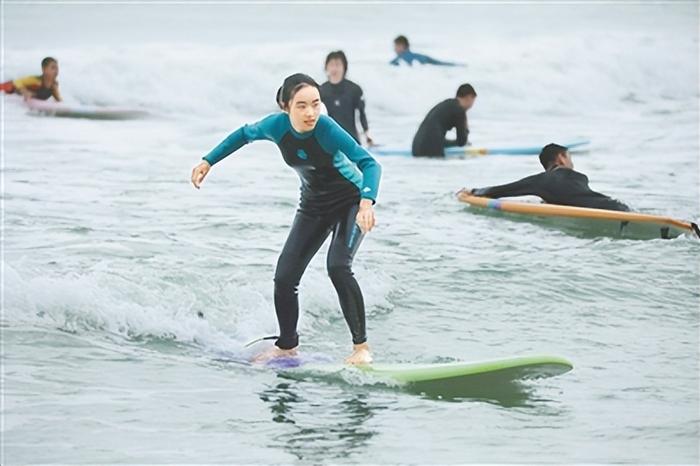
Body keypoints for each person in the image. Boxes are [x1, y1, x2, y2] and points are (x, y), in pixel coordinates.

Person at [191, 73, 382, 365]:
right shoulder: (275, 126)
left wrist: (367, 203)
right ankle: (287, 345)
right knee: (284, 277)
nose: (311, 113)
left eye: (316, 104)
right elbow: (243, 134)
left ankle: (361, 348)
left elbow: (369, 163)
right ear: (285, 106)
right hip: (314, 206)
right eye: (302, 106)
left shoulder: (327, 129)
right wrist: (208, 160)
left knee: (338, 267)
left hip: (351, 203)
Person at [466, 143, 630, 211]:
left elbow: (505, 190)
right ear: (561, 158)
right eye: (569, 157)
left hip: (604, 210)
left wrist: (475, 191)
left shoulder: (541, 181)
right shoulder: (577, 178)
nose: (572, 163)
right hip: (615, 207)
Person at [320, 50, 373, 146]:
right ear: (326, 67)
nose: (334, 68)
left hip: (351, 139)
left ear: (344, 67)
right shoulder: (321, 90)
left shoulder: (354, 89)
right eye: (331, 65)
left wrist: (367, 136)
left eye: (338, 65)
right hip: (329, 140)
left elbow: (362, 114)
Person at [412, 84, 477, 157]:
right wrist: (466, 129)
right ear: (469, 97)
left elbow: (434, 137)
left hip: (416, 147)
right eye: (473, 101)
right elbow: (462, 142)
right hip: (431, 151)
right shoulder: (459, 110)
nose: (472, 105)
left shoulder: (445, 104)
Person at [390, 35, 457, 67]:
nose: (395, 49)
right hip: (424, 59)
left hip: (423, 61)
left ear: (402, 46)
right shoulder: (417, 55)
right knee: (444, 64)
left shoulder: (401, 59)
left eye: (396, 46)